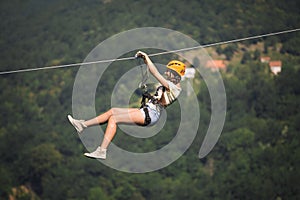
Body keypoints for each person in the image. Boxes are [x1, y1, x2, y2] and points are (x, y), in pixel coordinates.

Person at [67, 51, 186, 159]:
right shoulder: (171, 85)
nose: (166, 73)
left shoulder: (175, 88)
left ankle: (102, 151)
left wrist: (147, 58)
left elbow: (155, 73)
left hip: (151, 114)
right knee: (112, 111)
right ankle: (82, 125)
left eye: (169, 72)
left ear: (176, 75)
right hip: (147, 110)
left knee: (114, 119)